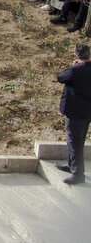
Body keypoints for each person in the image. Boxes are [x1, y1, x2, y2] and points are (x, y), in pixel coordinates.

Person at [56, 43, 91, 185]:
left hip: (75, 111)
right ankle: (71, 164)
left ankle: (78, 173)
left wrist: (72, 66)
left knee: (73, 141)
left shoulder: (75, 70)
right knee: (79, 140)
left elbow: (60, 77)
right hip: (87, 111)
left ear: (76, 55)